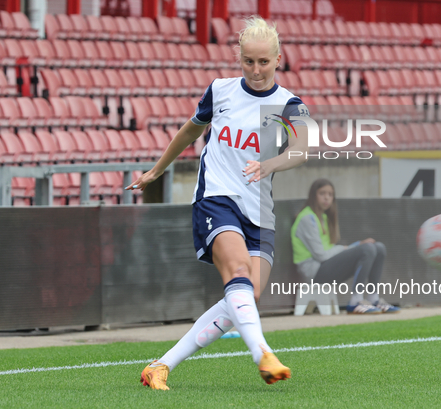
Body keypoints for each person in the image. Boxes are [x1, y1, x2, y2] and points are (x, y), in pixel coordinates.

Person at [127, 16, 309, 390]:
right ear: (238, 58)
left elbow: (303, 148)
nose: (256, 70)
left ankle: (159, 366)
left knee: (245, 296)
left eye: (263, 62)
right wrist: (158, 170)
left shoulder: (290, 104)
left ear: (278, 58)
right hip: (217, 197)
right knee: (238, 274)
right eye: (248, 61)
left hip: (259, 210)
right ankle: (263, 354)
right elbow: (190, 130)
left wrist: (271, 163)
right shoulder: (221, 90)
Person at [291, 179, 400, 314]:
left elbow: (328, 251)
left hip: (324, 267)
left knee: (379, 248)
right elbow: (321, 255)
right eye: (322, 193)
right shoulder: (307, 218)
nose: (327, 198)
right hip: (314, 272)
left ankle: (373, 298)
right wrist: (350, 247)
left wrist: (351, 247)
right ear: (313, 195)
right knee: (367, 249)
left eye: (330, 194)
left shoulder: (323, 218)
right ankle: (356, 300)